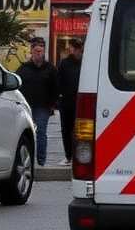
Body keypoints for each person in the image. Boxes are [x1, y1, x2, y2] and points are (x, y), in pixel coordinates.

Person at [15, 37, 59, 167]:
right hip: (26, 107)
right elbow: (17, 86)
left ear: (44, 52)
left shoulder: (50, 69)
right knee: (26, 133)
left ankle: (41, 160)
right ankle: (28, 159)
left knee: (40, 132)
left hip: (43, 106)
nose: (38, 54)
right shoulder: (24, 68)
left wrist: (52, 104)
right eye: (36, 51)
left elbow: (56, 87)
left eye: (41, 51)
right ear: (32, 52)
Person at [57, 37, 84, 166]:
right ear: (71, 49)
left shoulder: (85, 62)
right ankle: (68, 156)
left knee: (81, 131)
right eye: (75, 49)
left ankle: (80, 156)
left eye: (79, 49)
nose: (78, 51)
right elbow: (59, 82)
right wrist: (60, 98)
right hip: (67, 103)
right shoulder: (64, 63)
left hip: (82, 103)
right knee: (66, 130)